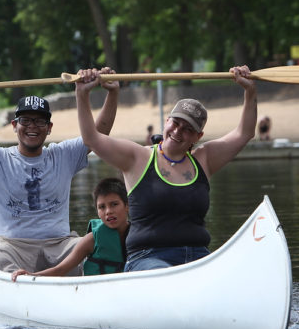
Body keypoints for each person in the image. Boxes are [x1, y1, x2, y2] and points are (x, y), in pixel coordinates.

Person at [75, 65, 256, 272]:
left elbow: (245, 133)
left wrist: (249, 91)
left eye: (188, 129)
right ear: (167, 121)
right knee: (166, 273)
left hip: (198, 255)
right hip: (148, 258)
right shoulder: (138, 157)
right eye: (176, 123)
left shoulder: (204, 159)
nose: (178, 131)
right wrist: (82, 94)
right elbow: (92, 139)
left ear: (198, 137)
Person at [0, 68, 119, 275]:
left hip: (60, 245)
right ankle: (20, 283)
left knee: (98, 241)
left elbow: (98, 134)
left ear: (49, 127)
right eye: (26, 120)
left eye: (39, 121)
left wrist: (112, 93)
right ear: (15, 125)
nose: (32, 126)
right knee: (0, 254)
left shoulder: (63, 155)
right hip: (13, 246)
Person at [11, 177, 130, 280]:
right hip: (96, 292)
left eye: (114, 204)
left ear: (127, 206)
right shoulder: (92, 239)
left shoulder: (137, 234)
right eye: (102, 207)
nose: (108, 211)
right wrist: (31, 275)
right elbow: (61, 269)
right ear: (97, 212)